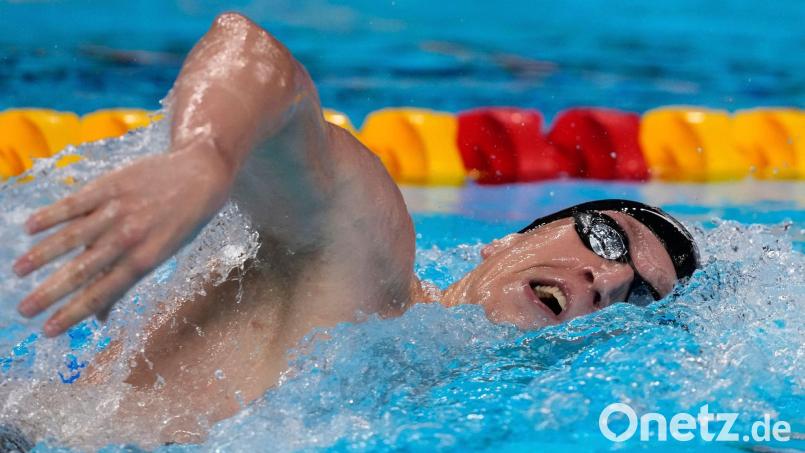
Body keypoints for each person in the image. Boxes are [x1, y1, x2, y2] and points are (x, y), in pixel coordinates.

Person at [8, 13, 699, 445]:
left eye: (637, 294)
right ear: (505, 238)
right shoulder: (369, 268)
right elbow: (250, 50)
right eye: (605, 240)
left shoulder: (440, 395)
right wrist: (204, 159)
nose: (606, 279)